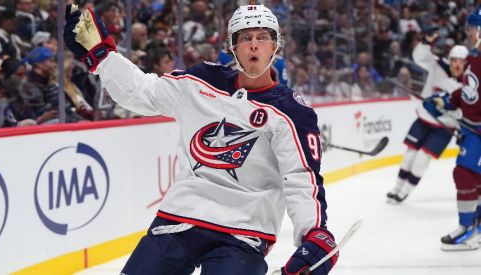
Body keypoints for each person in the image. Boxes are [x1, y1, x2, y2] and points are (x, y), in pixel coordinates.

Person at [64, 4, 338, 274]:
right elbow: (141, 92)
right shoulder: (200, 82)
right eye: (245, 37)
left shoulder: (291, 112)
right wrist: (102, 57)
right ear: (233, 46)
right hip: (179, 218)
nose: (254, 45)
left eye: (263, 37)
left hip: (244, 232)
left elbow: (300, 178)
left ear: (275, 45)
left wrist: (313, 232)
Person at [386, 28, 468, 204]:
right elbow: (420, 58)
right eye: (454, 60)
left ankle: (405, 191)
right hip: (424, 119)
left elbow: (467, 109)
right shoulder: (439, 65)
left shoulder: (469, 83)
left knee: (422, 159)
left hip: (445, 128)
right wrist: (424, 42)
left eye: (461, 61)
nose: (457, 65)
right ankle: (397, 187)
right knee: (409, 155)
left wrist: (463, 130)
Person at [423, 8, 481, 251]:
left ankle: (467, 228)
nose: (468, 32)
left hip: (477, 131)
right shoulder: (474, 57)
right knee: (472, 175)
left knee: (465, 173)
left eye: (472, 28)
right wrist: (447, 100)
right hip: (472, 130)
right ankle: (475, 225)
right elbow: (469, 92)